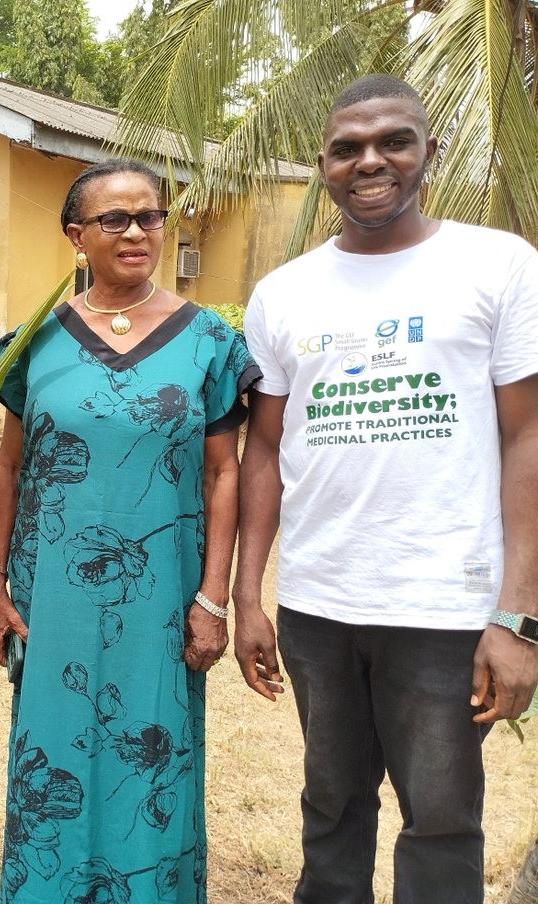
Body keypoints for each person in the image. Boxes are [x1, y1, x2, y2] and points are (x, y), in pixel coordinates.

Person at [234, 74, 538, 903]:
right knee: (330, 807)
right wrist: (249, 596)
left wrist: (518, 615)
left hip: (445, 607)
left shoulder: (499, 266)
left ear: (428, 152)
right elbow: (263, 450)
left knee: (440, 822)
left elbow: (527, 438)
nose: (371, 161)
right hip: (318, 605)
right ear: (323, 164)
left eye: (393, 141)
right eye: (347, 148)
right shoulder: (282, 293)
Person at [0, 159, 260, 903]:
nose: (137, 231)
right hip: (54, 603)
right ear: (78, 236)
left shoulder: (208, 342)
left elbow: (222, 474)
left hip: (162, 598)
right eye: (114, 219)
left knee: (152, 749)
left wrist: (213, 600)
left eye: (150, 216)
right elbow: (9, 468)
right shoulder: (34, 342)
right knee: (54, 745)